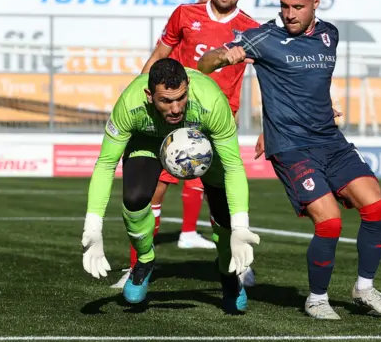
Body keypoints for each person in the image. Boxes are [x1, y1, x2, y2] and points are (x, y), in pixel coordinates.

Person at [197, 0, 381, 320]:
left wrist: (322, 105)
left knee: (376, 207)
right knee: (330, 222)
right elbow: (204, 62)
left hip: (330, 141)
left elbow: (312, 82)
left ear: (315, 3)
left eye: (298, 7)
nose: (289, 14)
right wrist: (221, 57)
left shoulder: (330, 35)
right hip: (290, 146)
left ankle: (364, 288)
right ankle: (317, 298)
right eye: (284, 5)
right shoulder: (262, 38)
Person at [113, 0, 260, 289]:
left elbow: (268, 79)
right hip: (174, 120)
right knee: (150, 190)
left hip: (217, 123)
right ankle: (137, 267)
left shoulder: (252, 29)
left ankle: (236, 264)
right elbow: (158, 57)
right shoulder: (185, 14)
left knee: (221, 199)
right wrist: (138, 94)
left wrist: (269, 125)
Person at [82, 58, 260, 313]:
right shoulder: (130, 103)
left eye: (181, 98)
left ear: (188, 86)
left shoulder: (211, 101)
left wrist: (241, 225)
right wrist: (93, 225)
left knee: (225, 214)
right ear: (149, 95)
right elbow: (105, 163)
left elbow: (233, 165)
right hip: (148, 142)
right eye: (166, 101)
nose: (176, 108)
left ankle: (228, 273)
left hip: (203, 143)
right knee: (134, 198)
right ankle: (144, 261)